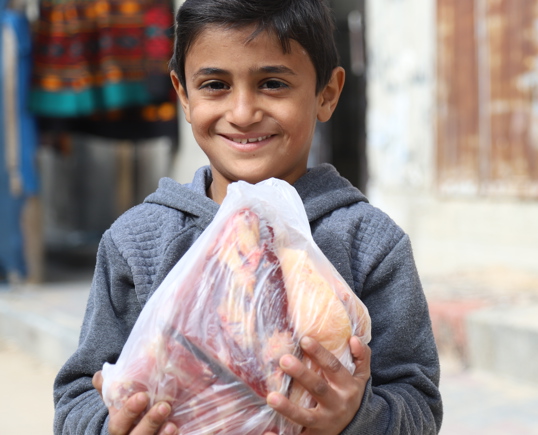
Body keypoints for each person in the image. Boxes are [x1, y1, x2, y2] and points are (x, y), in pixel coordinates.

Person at [52, 1, 443, 433]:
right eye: (215, 85)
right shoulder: (139, 242)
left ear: (326, 94)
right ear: (183, 95)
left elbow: (418, 403)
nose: (242, 113)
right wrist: (111, 427)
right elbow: (77, 396)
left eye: (272, 83)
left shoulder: (368, 243)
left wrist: (356, 418)